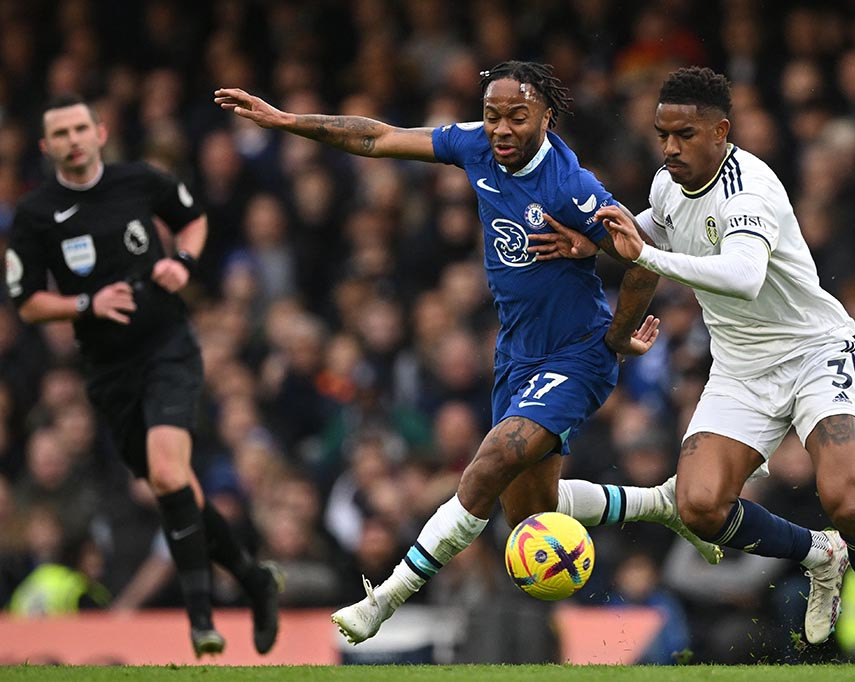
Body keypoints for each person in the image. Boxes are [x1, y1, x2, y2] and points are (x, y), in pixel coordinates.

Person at [215, 60, 722, 644]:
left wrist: (614, 336)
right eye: (492, 115)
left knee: (490, 461)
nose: (501, 129)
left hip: (578, 353)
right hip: (517, 357)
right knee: (529, 517)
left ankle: (385, 599)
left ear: (545, 117)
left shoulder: (571, 186)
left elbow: (643, 257)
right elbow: (376, 136)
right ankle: (663, 504)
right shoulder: (475, 147)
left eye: (516, 117)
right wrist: (287, 121)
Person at [529, 66, 855, 667]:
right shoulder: (667, 183)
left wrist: (652, 256)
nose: (669, 148)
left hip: (814, 352)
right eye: (662, 133)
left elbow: (743, 276)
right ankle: (820, 554)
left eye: (684, 134)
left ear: (721, 131)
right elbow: (647, 232)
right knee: (699, 507)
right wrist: (595, 243)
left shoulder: (751, 188)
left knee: (847, 500)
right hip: (740, 367)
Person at [4, 95, 282, 657]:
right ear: (46, 146)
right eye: (61, 133)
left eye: (82, 128)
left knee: (165, 471)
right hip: (108, 371)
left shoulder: (140, 180)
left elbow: (194, 220)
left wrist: (183, 262)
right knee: (174, 486)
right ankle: (254, 580)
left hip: (167, 347)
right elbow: (29, 303)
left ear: (101, 132)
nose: (74, 139)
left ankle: (201, 621)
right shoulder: (35, 215)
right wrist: (85, 303)